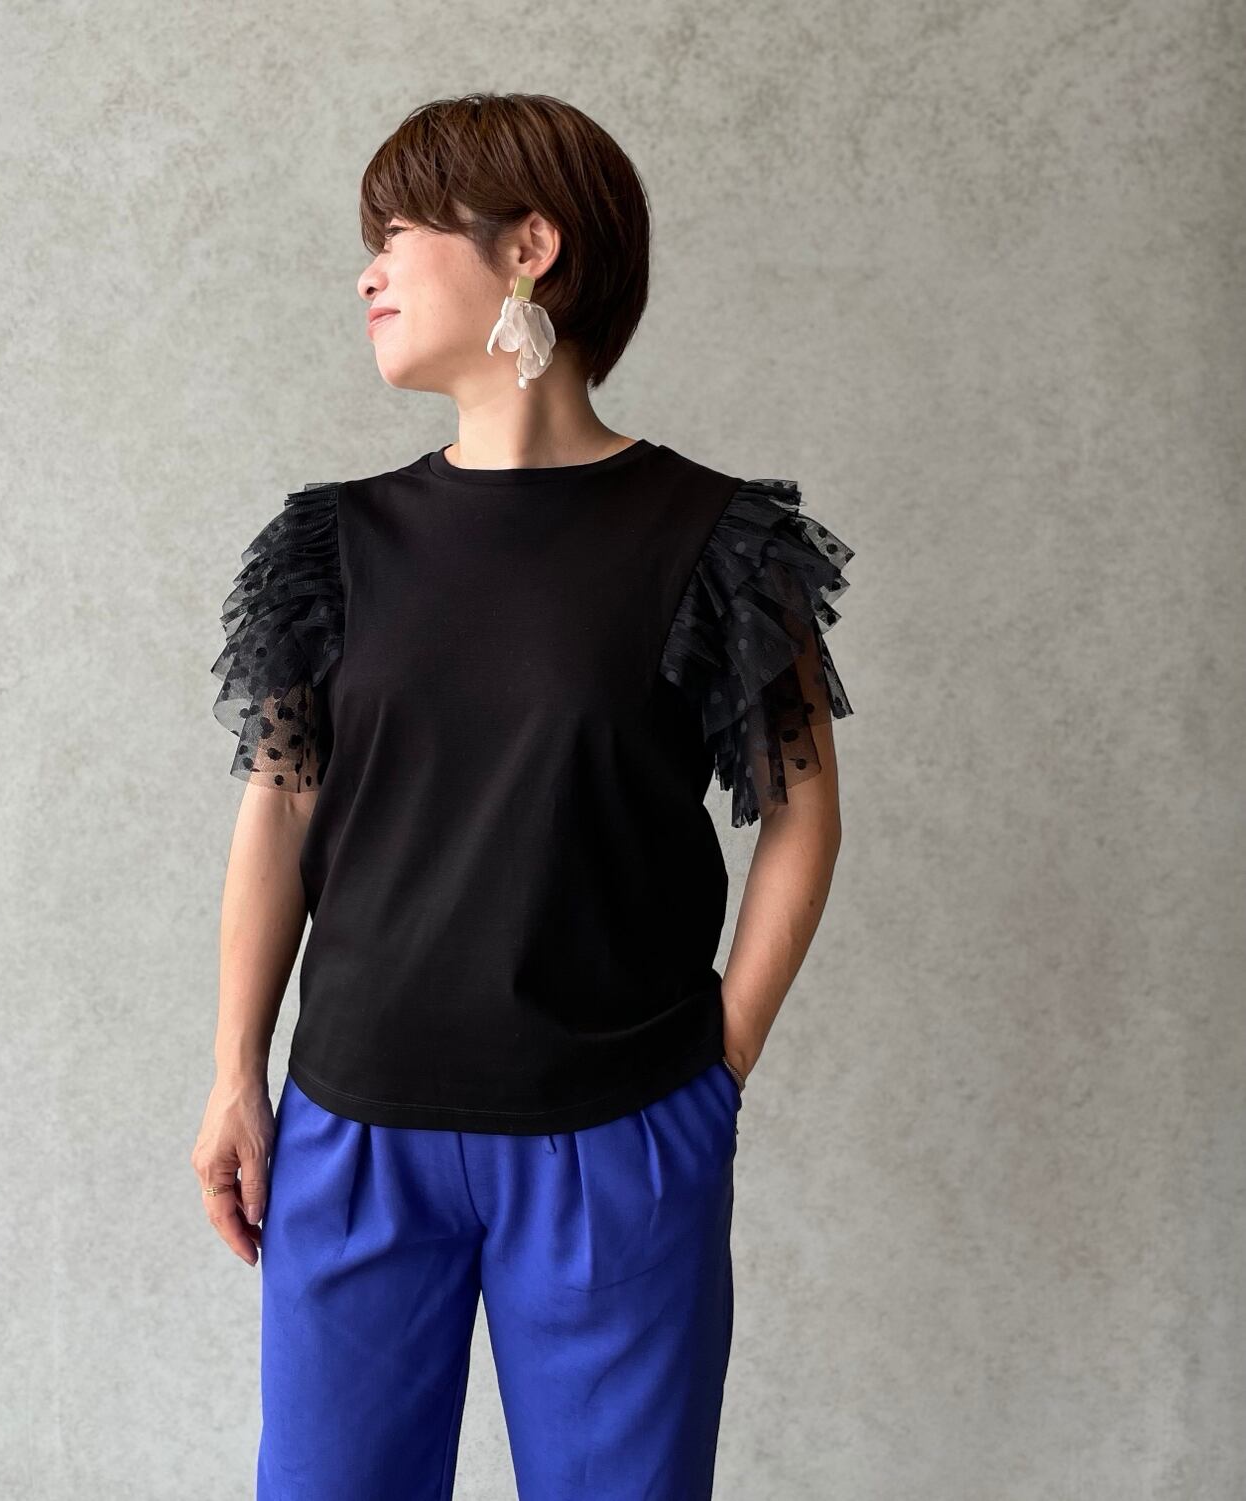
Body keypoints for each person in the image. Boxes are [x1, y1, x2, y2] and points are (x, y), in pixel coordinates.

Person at [191, 91, 856, 1501]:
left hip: (619, 1133)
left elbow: (802, 809)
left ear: (528, 248)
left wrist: (721, 1059)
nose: (366, 273)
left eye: (396, 234)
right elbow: (281, 808)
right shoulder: (332, 545)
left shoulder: (718, 545)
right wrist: (236, 1072)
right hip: (352, 1133)